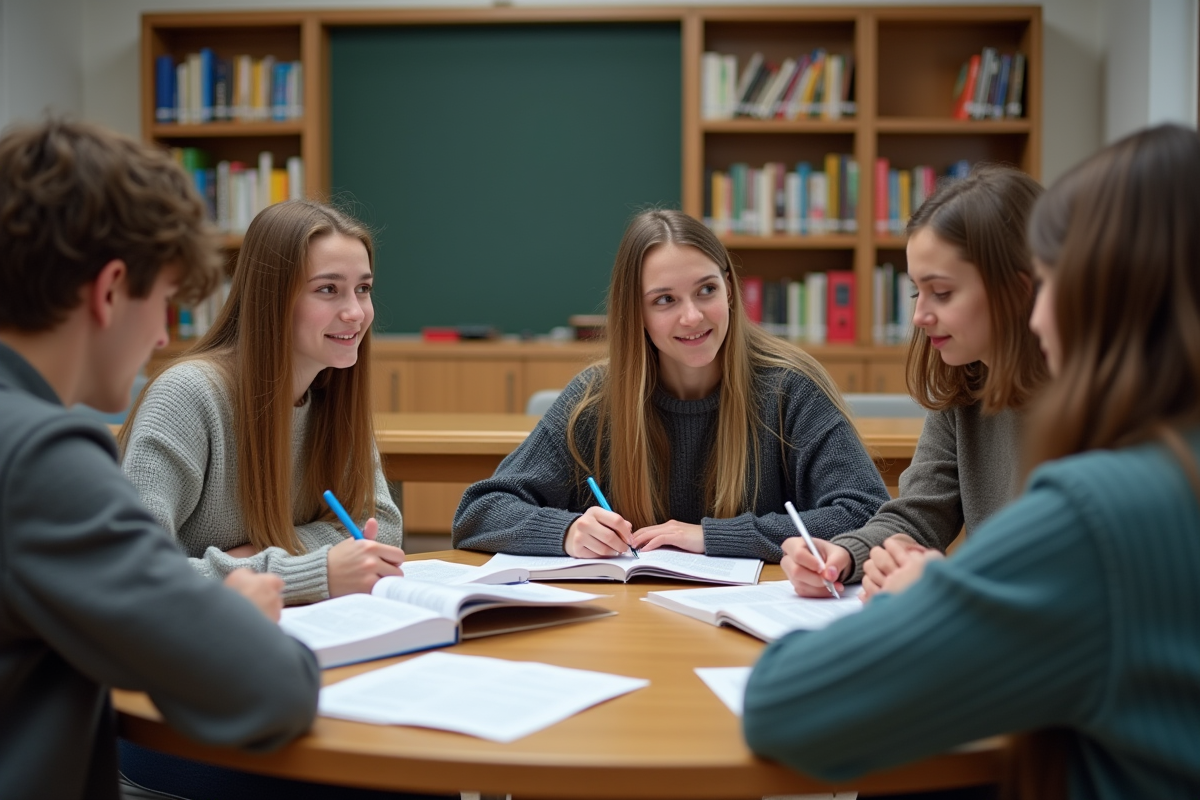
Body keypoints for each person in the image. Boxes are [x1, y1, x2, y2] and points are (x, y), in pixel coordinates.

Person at [743, 124, 1200, 798]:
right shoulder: (1154, 461)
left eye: (1049, 286)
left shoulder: (1098, 510)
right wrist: (850, 553)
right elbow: (918, 517)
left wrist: (936, 596)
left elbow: (783, 702)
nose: (1042, 317)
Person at [0, 118, 318, 799]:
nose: (166, 335)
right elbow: (270, 689)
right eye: (166, 300)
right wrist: (234, 612)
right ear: (110, 289)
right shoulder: (40, 459)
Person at [453, 209, 889, 560]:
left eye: (706, 290)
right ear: (636, 313)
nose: (692, 317)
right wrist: (565, 531)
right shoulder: (596, 400)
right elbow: (479, 512)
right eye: (665, 300)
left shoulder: (790, 388)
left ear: (730, 291)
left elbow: (866, 515)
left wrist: (715, 537)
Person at [120, 200, 405, 605]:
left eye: (363, 289)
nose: (356, 312)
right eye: (328, 289)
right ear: (272, 297)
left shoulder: (333, 394)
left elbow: (381, 525)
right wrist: (306, 570)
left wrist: (255, 555)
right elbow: (133, 569)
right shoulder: (187, 395)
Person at [782, 166, 1047, 598]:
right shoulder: (967, 383)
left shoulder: (1090, 403)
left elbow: (1061, 576)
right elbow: (917, 517)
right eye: (915, 292)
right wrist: (847, 556)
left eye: (941, 292)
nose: (920, 316)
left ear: (1017, 292)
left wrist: (947, 588)